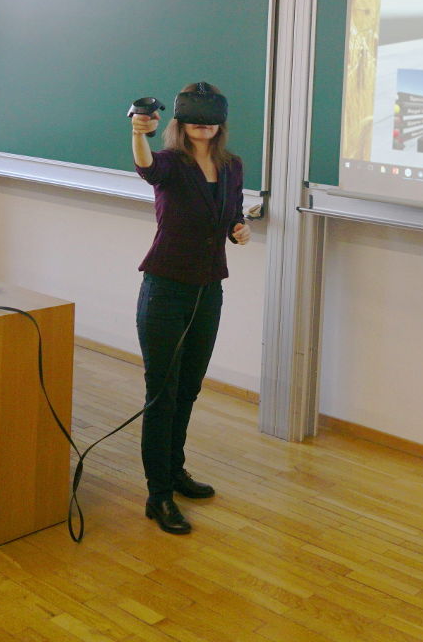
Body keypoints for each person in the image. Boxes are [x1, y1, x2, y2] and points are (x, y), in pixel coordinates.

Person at [129, 82, 251, 534]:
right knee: (162, 394)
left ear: (220, 123)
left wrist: (239, 230)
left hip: (208, 290)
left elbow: (233, 211)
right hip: (164, 289)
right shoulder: (170, 165)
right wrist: (139, 132)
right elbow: (146, 167)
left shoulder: (231, 166)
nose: (204, 126)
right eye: (196, 119)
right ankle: (157, 494)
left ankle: (175, 469)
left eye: (211, 120)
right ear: (180, 123)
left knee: (189, 388)